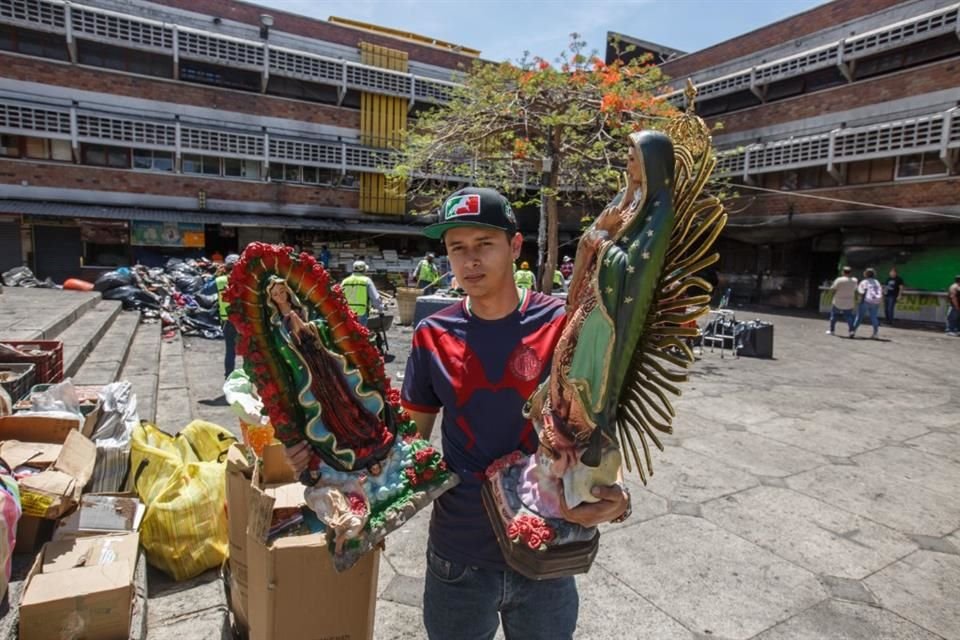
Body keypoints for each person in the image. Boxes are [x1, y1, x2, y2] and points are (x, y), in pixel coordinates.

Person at [400, 186, 628, 640]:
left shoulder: (561, 325)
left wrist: (615, 494)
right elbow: (411, 442)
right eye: (456, 249)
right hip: (457, 555)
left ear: (515, 246)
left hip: (548, 550)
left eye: (484, 244)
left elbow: (594, 425)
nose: (469, 262)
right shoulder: (431, 335)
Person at [216, 254, 240, 377]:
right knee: (249, 351)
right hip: (243, 321)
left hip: (227, 320)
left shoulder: (220, 280)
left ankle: (229, 377)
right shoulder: (244, 279)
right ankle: (250, 377)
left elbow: (205, 290)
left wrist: (217, 275)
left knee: (230, 351)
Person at [340, 260, 383, 327]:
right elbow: (375, 298)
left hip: (348, 313)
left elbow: (340, 297)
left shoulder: (345, 281)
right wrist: (380, 309)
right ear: (364, 270)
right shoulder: (366, 281)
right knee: (360, 335)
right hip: (361, 312)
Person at [827, 265, 858, 338]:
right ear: (850, 272)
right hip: (849, 301)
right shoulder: (854, 280)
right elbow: (855, 290)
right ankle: (851, 331)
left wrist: (832, 295)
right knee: (849, 317)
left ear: (843, 272)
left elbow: (833, 289)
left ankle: (832, 330)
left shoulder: (839, 280)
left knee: (834, 316)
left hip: (838, 300)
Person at [854, 267, 884, 339]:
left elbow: (860, 291)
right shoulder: (877, 282)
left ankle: (853, 331)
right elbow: (880, 291)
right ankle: (875, 333)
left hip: (865, 301)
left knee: (859, 317)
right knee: (874, 317)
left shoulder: (864, 282)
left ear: (866, 274)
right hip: (875, 301)